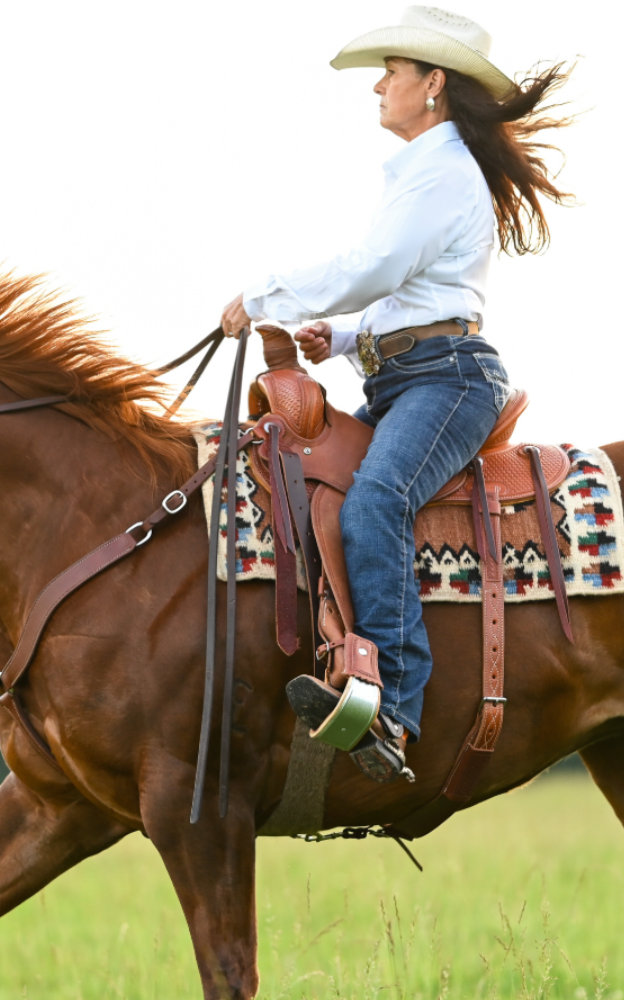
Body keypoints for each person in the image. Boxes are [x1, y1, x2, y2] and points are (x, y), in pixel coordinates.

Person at [220, 6, 574, 782]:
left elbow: (372, 268)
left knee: (375, 503)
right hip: (409, 375)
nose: (379, 85)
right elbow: (404, 291)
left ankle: (392, 711)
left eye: (393, 71)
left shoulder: (443, 175)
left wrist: (267, 294)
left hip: (449, 381)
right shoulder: (424, 174)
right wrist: (343, 341)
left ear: (434, 84)